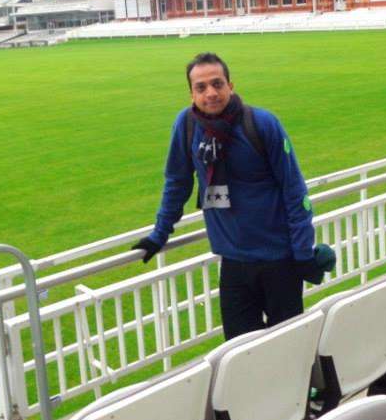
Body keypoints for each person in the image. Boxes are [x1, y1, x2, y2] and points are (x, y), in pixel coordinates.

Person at [133, 52, 334, 339]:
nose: (210, 93)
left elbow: (294, 190)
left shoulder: (262, 124)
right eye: (201, 87)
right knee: (242, 353)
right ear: (191, 94)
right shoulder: (187, 126)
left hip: (279, 260)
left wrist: (302, 253)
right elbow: (177, 183)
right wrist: (159, 234)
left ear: (231, 85)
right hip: (233, 264)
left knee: (290, 348)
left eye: (217, 84)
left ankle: (309, 385)